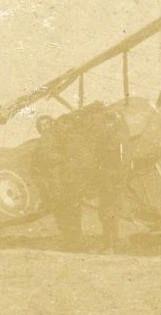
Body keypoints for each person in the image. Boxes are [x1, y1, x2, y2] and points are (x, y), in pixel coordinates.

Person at [32, 102, 130, 251]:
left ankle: (85, 244)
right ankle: (80, 244)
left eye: (47, 124)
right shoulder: (52, 140)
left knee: (76, 214)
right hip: (62, 186)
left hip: (71, 184)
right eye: (42, 126)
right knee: (69, 215)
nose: (46, 127)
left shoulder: (62, 137)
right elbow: (49, 159)